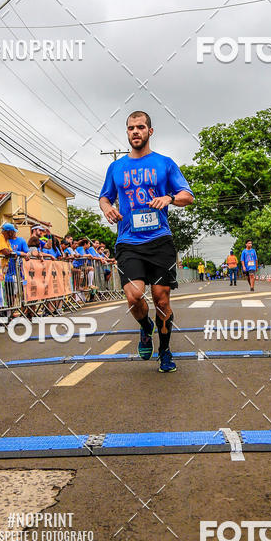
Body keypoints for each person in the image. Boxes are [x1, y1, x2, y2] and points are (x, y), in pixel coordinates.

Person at [99, 111, 194, 373]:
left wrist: (169, 198)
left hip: (159, 240)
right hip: (128, 241)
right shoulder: (116, 167)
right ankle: (145, 326)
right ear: (127, 132)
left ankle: (165, 351)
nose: (135, 132)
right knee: (133, 296)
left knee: (161, 300)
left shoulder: (164, 163)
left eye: (141, 127)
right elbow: (104, 197)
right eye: (131, 128)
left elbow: (188, 195)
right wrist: (107, 208)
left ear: (150, 131)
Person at [0, 223, 29, 308]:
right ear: (9, 232)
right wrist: (15, 253)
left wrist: (14, 253)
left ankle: (2, 313)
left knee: (2, 295)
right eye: (13, 232)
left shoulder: (6, 241)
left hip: (1, 272)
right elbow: (6, 252)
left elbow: (12, 253)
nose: (15, 234)